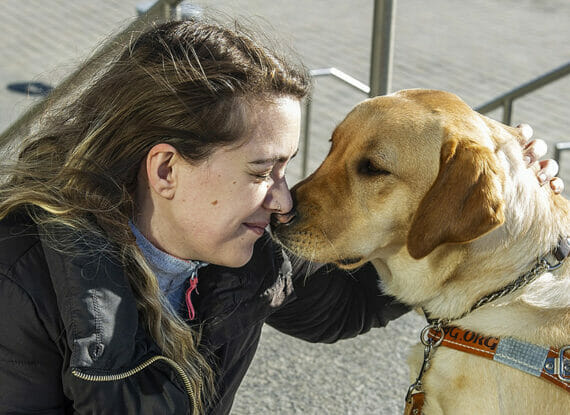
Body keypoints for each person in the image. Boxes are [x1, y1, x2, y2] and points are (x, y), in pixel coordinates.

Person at [0, 18, 563, 415]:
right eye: (260, 171)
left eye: (287, 166)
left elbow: (342, 310)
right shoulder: (18, 285)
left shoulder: (244, 251)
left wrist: (503, 204)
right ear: (166, 169)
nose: (285, 198)